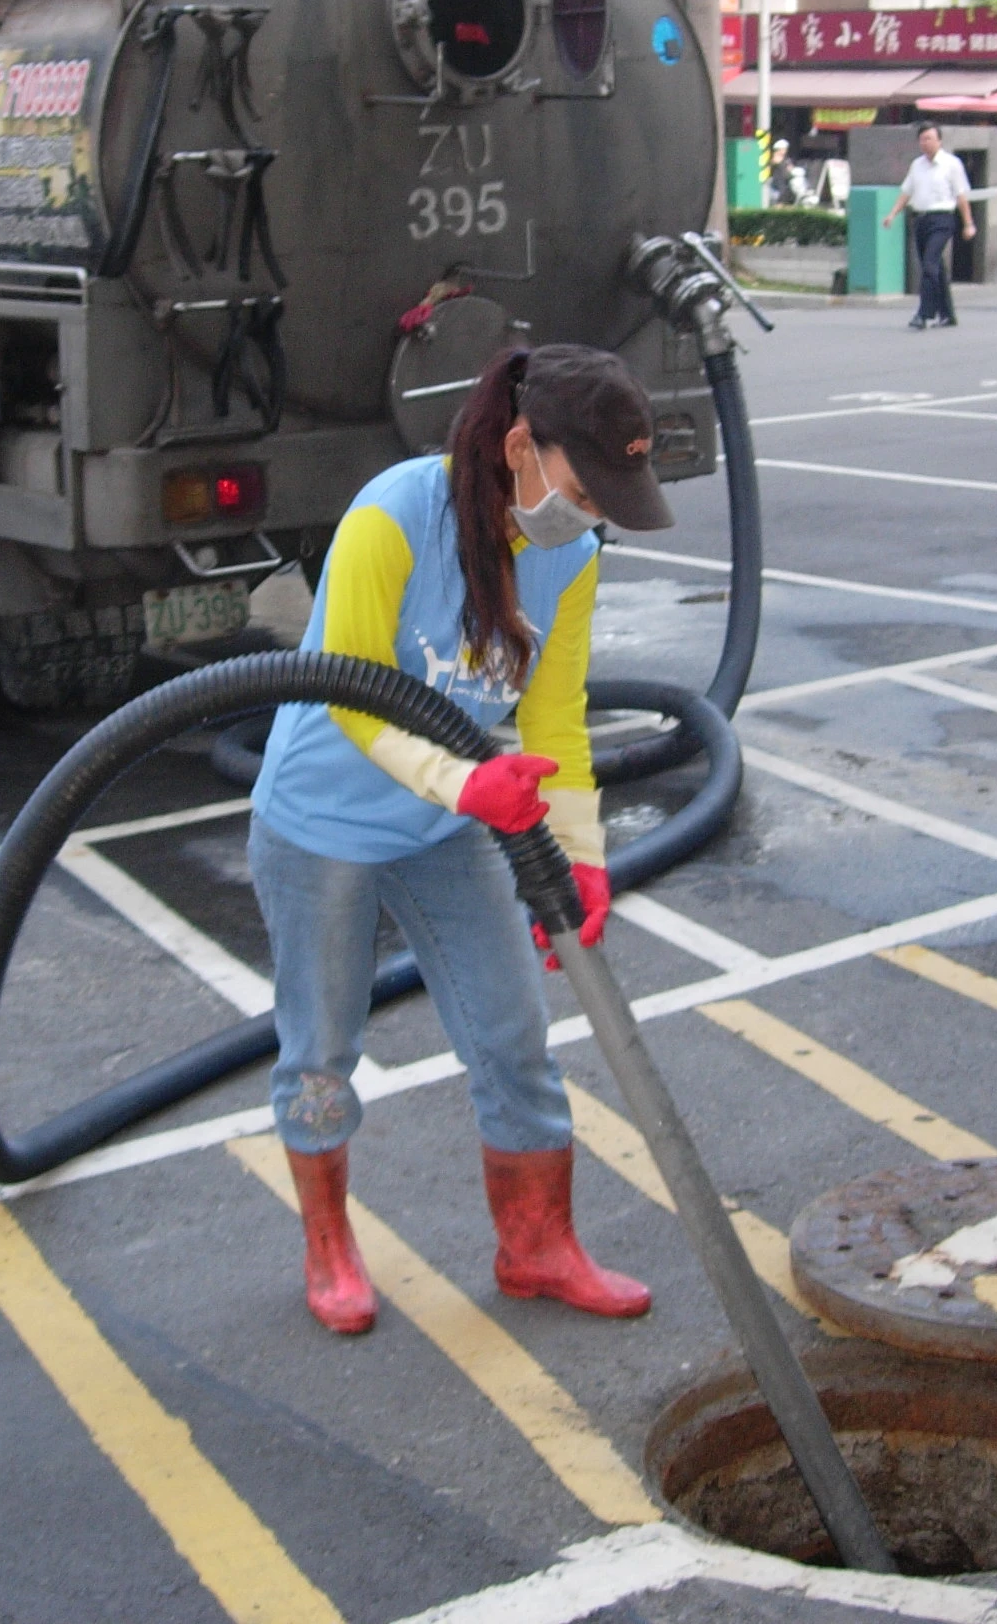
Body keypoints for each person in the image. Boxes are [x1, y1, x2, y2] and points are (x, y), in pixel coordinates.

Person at [248, 343, 671, 1336]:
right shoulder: (395, 513)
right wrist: (466, 782)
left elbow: (556, 719)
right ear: (522, 447)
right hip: (324, 824)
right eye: (585, 484)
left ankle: (538, 1248)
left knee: (514, 1035)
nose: (593, 510)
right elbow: (352, 694)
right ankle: (329, 1252)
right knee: (320, 1053)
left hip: (452, 820)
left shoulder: (570, 553)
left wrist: (585, 861)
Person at [885, 122, 974, 330]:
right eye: (922, 139)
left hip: (942, 219)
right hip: (921, 219)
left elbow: (961, 196)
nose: (925, 143)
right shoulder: (917, 165)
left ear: (939, 140)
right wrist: (892, 214)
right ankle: (948, 314)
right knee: (936, 269)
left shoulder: (952, 164)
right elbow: (906, 192)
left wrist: (968, 223)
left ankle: (924, 313)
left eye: (929, 138)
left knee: (928, 266)